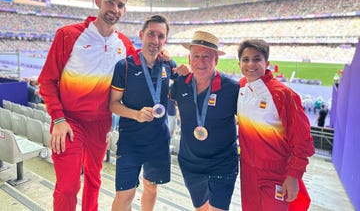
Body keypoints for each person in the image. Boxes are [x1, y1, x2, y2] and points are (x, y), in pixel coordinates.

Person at [38, 0, 135, 211]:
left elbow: (142, 65)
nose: (115, 9)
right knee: (69, 186)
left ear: (124, 10)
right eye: (110, 2)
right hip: (68, 121)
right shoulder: (68, 35)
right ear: (98, 2)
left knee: (94, 179)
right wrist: (58, 119)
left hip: (101, 123)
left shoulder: (125, 45)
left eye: (120, 5)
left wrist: (164, 55)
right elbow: (47, 81)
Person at [109, 14, 188, 211]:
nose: (155, 40)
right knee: (125, 194)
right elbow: (113, 104)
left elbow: (183, 90)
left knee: (151, 187)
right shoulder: (124, 66)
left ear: (165, 40)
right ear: (141, 34)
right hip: (130, 140)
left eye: (161, 36)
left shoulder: (168, 65)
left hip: (158, 140)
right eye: (151, 34)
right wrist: (136, 114)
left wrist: (184, 72)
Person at [236, 39, 315, 211]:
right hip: (248, 172)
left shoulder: (283, 95)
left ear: (267, 63)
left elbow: (303, 141)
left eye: (257, 59)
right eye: (246, 59)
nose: (251, 64)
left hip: (276, 175)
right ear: (239, 63)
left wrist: (293, 176)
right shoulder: (241, 87)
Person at [170, 31, 239, 211]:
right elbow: (155, 92)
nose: (201, 62)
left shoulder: (232, 89)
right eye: (196, 56)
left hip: (222, 165)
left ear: (216, 60)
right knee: (201, 209)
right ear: (189, 58)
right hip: (190, 164)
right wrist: (168, 63)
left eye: (207, 57)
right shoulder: (180, 84)